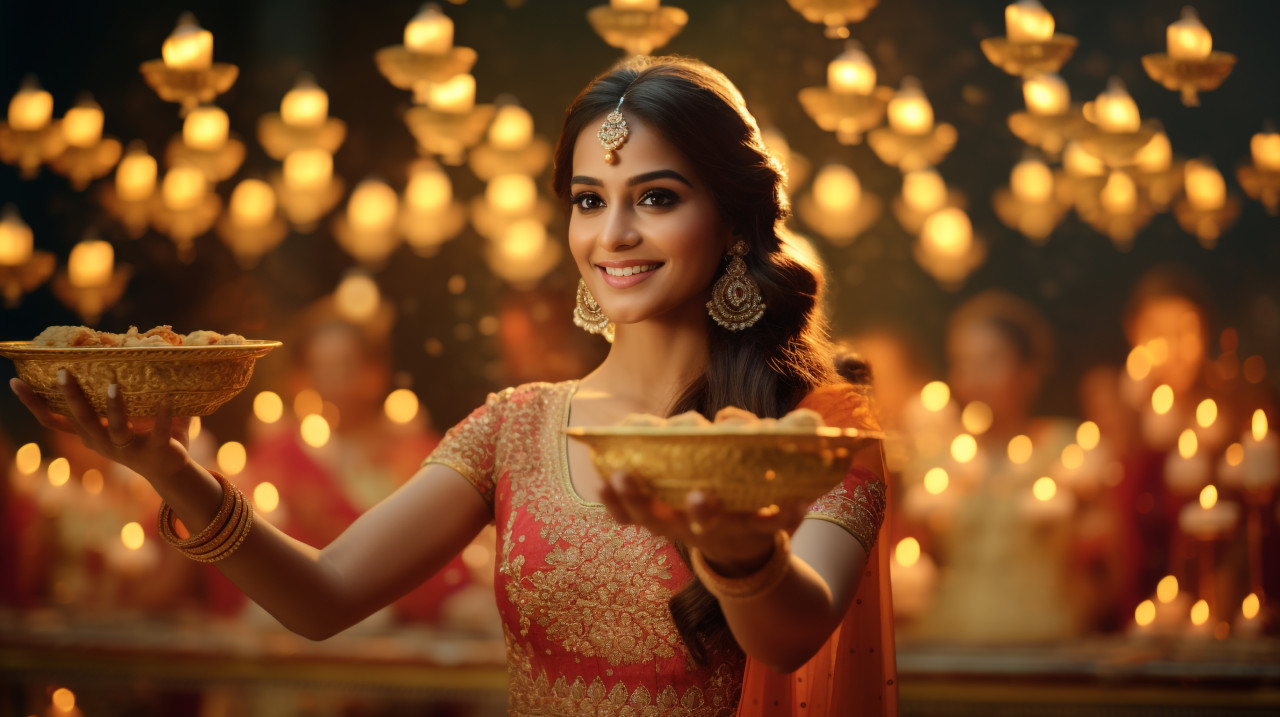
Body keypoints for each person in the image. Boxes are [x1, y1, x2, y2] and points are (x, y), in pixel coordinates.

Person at [11, 55, 894, 716]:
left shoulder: (815, 432)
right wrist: (168, 469)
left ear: (734, 219)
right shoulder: (516, 427)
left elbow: (791, 633)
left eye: (656, 197)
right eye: (590, 199)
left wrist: (737, 546)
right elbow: (321, 598)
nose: (614, 233)